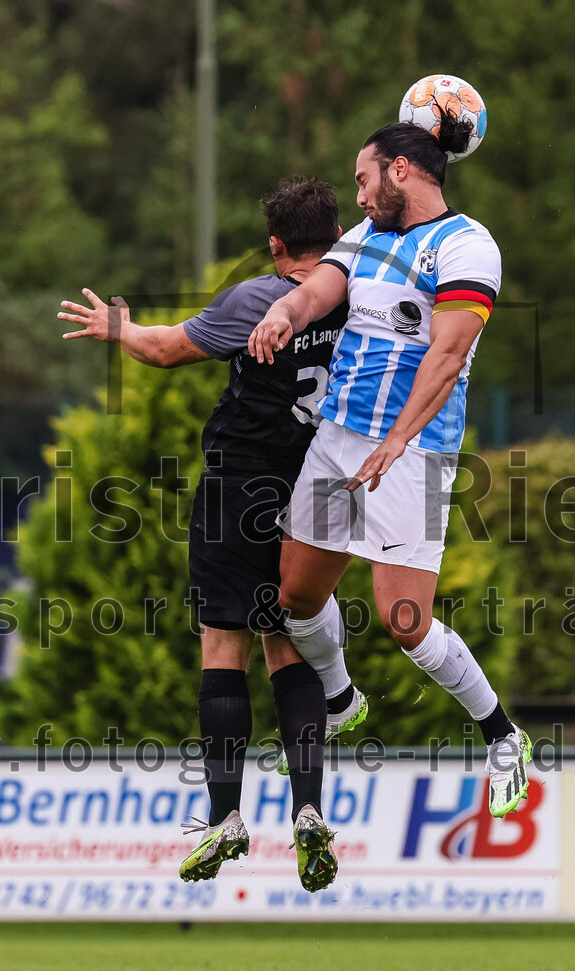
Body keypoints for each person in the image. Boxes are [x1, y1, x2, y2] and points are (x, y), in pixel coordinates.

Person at [57, 178, 366, 892]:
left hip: (242, 481)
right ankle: (310, 810)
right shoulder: (361, 299)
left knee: (224, 644)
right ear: (336, 236)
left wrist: (118, 330)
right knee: (286, 639)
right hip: (318, 484)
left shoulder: (257, 299)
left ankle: (225, 815)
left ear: (275, 245)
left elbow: (165, 351)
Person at [248, 119, 531, 818]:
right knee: (293, 601)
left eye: (363, 177)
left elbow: (446, 355)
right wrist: (285, 311)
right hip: (341, 438)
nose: (359, 193)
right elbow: (317, 292)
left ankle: (502, 738)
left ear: (400, 170)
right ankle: (342, 700)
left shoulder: (466, 244)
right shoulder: (364, 236)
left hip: (415, 449)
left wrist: (399, 439)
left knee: (404, 620)